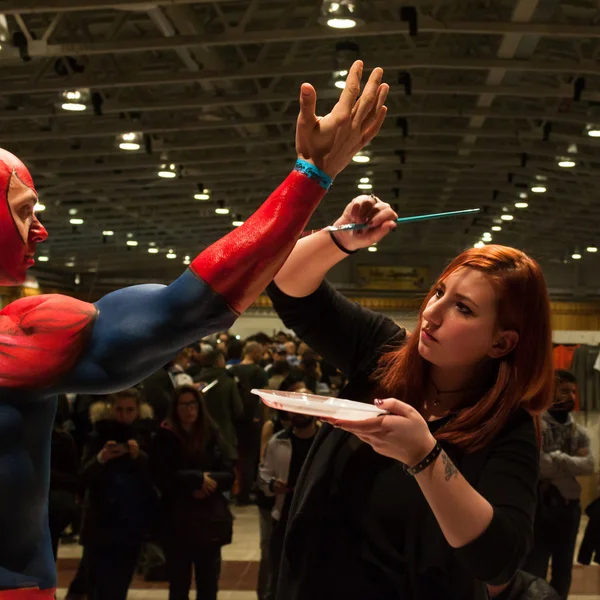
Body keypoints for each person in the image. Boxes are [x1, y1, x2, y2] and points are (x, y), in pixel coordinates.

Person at [0, 61, 388, 597]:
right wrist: (310, 176)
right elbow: (187, 309)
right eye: (23, 211)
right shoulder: (21, 334)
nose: (38, 228)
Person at [266, 194, 554, 600]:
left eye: (464, 309)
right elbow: (288, 289)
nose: (431, 314)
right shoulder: (384, 352)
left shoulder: (507, 427)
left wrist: (425, 457)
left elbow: (500, 559)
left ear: (502, 343)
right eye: (439, 292)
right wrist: (339, 239)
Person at [150, 385, 235, 600]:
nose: (189, 410)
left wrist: (208, 484)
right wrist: (196, 480)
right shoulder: (165, 435)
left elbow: (229, 473)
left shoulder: (211, 432)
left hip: (209, 520)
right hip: (177, 521)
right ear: (175, 408)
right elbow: (161, 475)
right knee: (179, 584)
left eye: (193, 404)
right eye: (184, 405)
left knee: (208, 583)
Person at [79, 388, 158, 600]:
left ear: (138, 411)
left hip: (130, 522)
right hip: (101, 522)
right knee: (97, 583)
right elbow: (83, 477)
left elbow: (157, 475)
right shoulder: (98, 434)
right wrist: (101, 458)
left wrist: (138, 456)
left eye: (129, 410)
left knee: (120, 583)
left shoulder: (146, 435)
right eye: (119, 410)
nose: (124, 416)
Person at [524, 369, 594, 598]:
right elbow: (540, 465)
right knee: (536, 571)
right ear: (551, 392)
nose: (572, 397)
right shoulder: (536, 425)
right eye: (565, 391)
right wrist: (570, 460)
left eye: (573, 391)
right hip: (540, 509)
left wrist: (557, 458)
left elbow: (589, 465)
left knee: (564, 574)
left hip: (569, 508)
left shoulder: (579, 431)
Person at [258, 382, 319, 600]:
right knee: (278, 577)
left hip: (316, 518)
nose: (299, 412)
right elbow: (263, 477)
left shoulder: (323, 443)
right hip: (284, 516)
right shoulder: (278, 442)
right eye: (294, 406)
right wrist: (273, 484)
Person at [230, 341, 270, 505]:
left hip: (234, 419)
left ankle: (234, 489)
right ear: (255, 353)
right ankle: (244, 494)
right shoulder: (259, 372)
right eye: (260, 353)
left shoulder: (231, 371)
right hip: (252, 420)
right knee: (249, 458)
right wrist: (265, 421)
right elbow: (265, 399)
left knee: (235, 457)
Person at [194, 349, 243, 461]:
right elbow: (238, 409)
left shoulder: (194, 380)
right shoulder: (228, 381)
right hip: (225, 435)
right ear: (219, 361)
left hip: (200, 435)